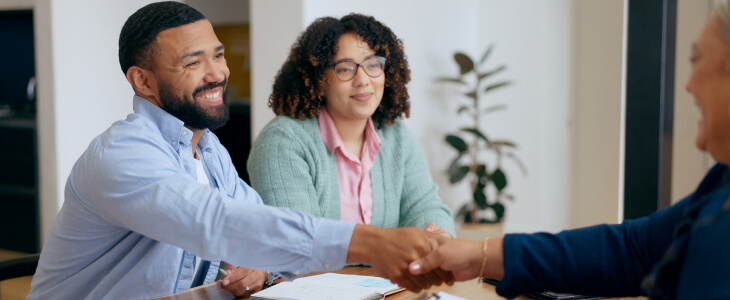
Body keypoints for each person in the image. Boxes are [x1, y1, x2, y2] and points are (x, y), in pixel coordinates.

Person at [27, 2, 450, 299]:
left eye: (219, 55)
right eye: (193, 63)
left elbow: (260, 229)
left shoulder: (208, 151)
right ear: (143, 81)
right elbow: (217, 223)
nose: (218, 73)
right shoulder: (122, 155)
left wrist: (260, 268)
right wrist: (372, 243)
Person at [409, 1, 730, 299]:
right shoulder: (720, 182)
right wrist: (477, 255)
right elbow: (634, 248)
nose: (687, 84)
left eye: (697, 59)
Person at [247, 13, 456, 238]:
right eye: (345, 68)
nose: (363, 79)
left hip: (384, 274)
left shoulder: (395, 134)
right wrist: (388, 248)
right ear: (318, 78)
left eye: (373, 64)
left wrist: (436, 236)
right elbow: (299, 243)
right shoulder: (282, 142)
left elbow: (426, 206)